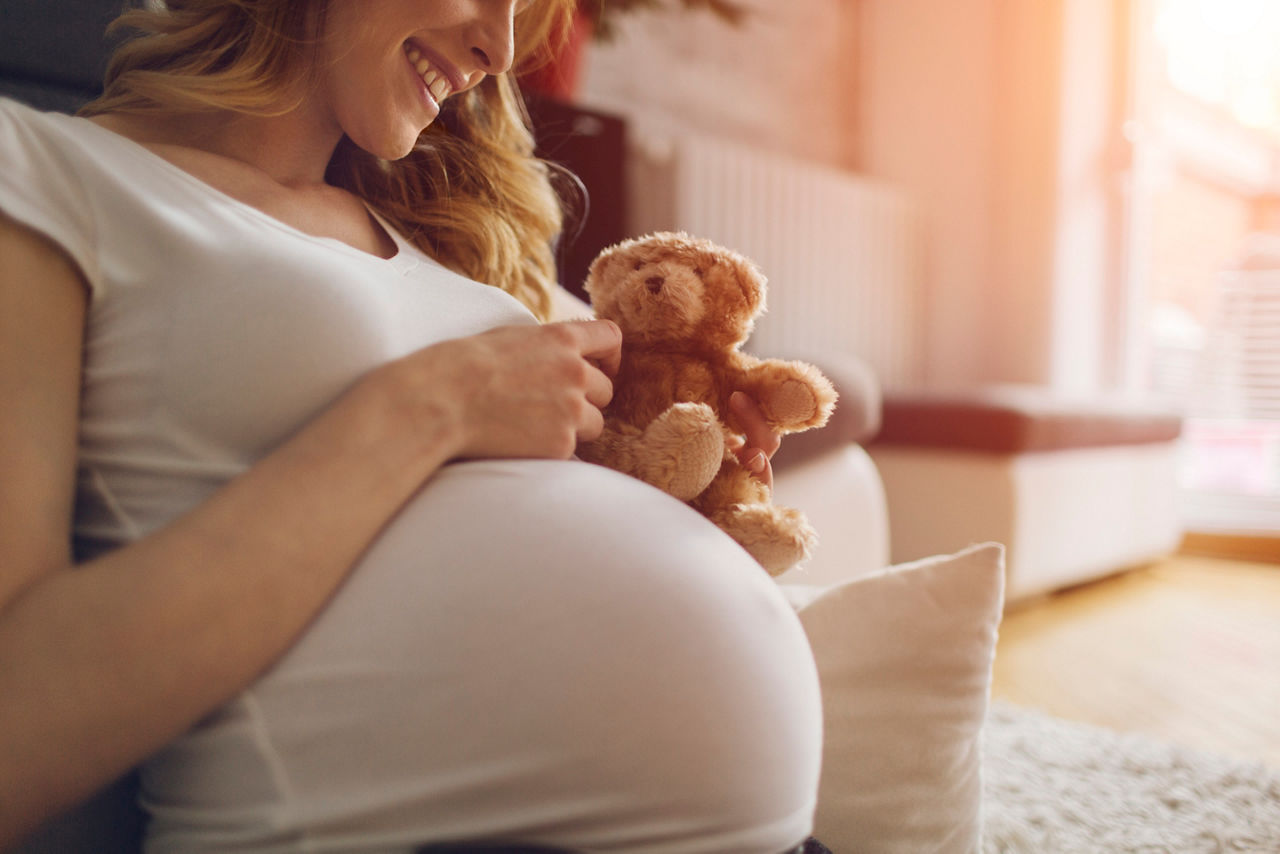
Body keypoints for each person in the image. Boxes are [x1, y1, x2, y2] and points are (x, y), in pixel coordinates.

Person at [0, 0, 824, 851]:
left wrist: (689, 468)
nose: (498, 48)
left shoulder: (434, 234)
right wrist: (431, 406)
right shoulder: (42, 168)